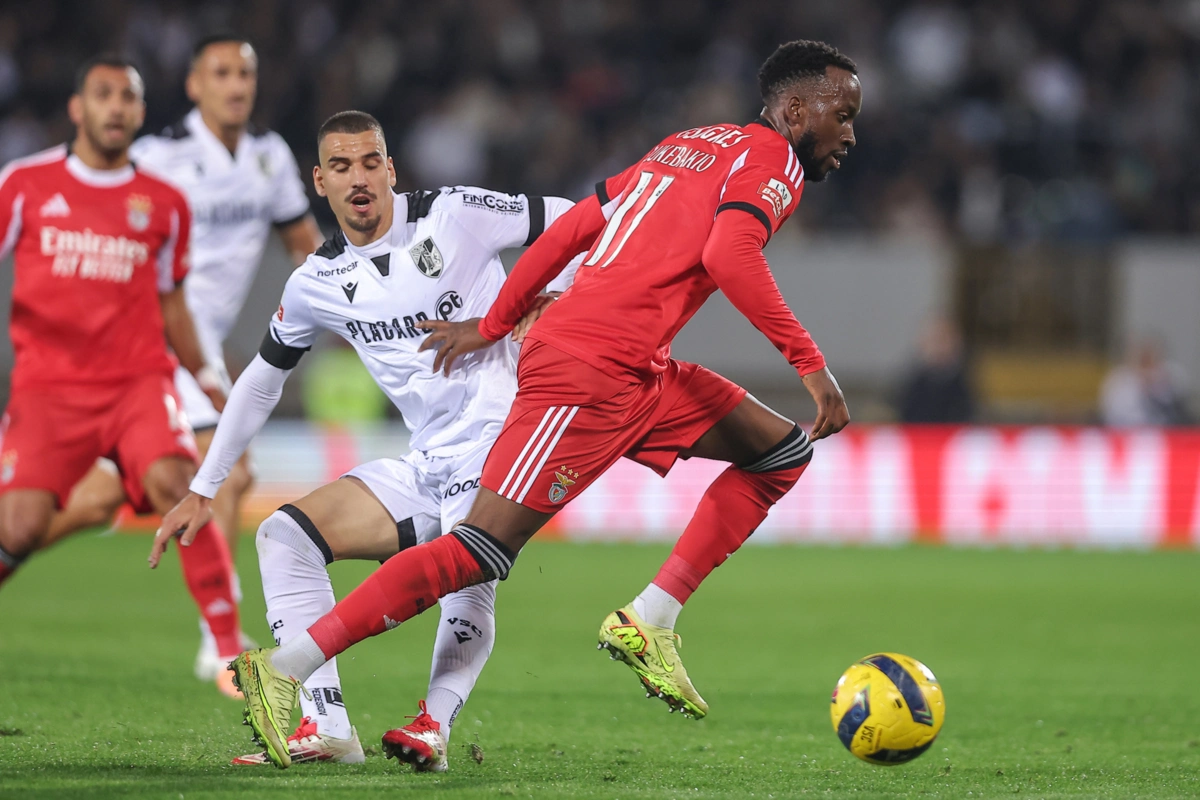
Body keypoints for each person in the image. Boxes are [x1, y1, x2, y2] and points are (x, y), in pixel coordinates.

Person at [215, 38, 859, 762]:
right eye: (844, 113)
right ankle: (286, 667)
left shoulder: (690, 143)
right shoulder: (775, 162)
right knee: (476, 551)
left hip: (641, 370)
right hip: (584, 372)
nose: (849, 134)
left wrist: (494, 322)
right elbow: (728, 255)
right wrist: (812, 366)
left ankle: (650, 617)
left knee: (780, 452)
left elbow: (582, 222)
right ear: (797, 109)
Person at [153, 110, 580, 768]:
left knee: (470, 566)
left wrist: (552, 293)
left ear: (391, 170)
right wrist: (203, 487)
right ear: (319, 182)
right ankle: (328, 727)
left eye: (371, 162)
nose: (360, 177)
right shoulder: (315, 283)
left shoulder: (456, 213)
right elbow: (261, 382)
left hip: (504, 431)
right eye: (343, 167)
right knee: (283, 536)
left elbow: (585, 220)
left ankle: (432, 726)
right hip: (428, 454)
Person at [41, 35, 323, 684]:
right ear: (195, 85)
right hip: (148, 337)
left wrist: (356, 291)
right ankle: (217, 640)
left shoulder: (270, 157)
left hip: (200, 346)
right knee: (230, 468)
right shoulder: (159, 155)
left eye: (246, 73)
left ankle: (10, 536)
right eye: (221, 73)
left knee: (102, 498)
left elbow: (303, 244)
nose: (236, 85)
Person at [0, 56, 244, 697]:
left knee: (178, 482)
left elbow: (172, 303)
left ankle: (226, 652)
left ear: (139, 112)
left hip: (137, 383)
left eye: (128, 98)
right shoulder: (24, 185)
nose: (116, 107)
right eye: (103, 95)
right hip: (47, 389)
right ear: (78, 108)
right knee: (20, 526)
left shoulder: (164, 204)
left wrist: (209, 374)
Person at [1100, 335, 1191, 426]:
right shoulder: (1118, 378)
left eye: (1150, 353)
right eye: (1142, 353)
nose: (1146, 357)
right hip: (1125, 430)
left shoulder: (1169, 373)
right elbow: (1111, 410)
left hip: (1163, 429)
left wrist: (1154, 381)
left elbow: (1181, 394)